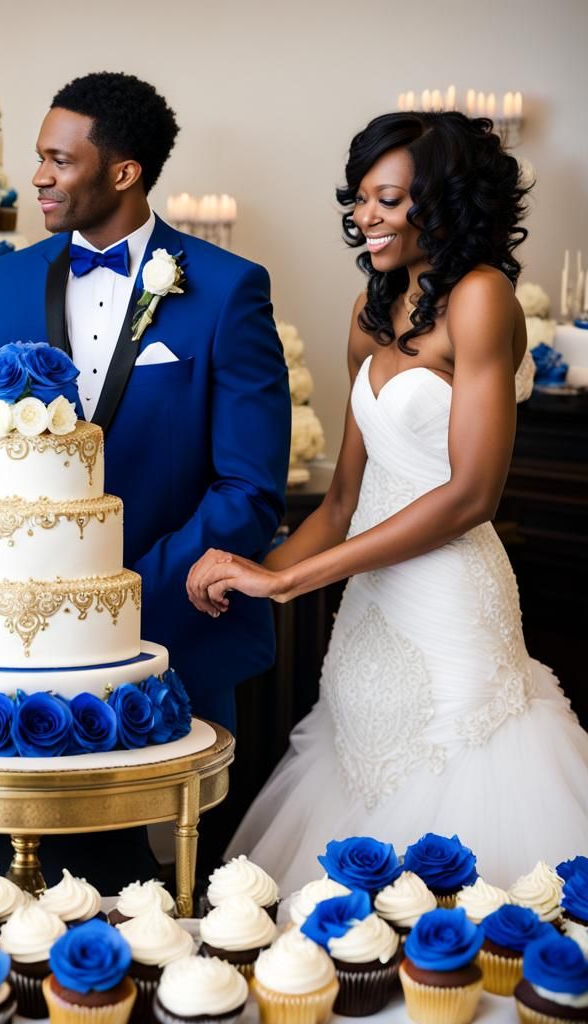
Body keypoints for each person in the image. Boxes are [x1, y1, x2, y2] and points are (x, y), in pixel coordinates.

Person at [188, 111, 588, 893]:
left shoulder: (481, 296)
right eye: (361, 198)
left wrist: (294, 583)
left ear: (442, 203)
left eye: (388, 199)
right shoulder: (371, 311)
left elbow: (472, 493)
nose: (363, 216)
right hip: (369, 614)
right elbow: (342, 501)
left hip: (452, 610)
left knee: (460, 819)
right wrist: (253, 571)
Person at [0, 71, 291, 892]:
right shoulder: (3, 283)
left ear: (123, 171)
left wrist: (120, 599)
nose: (39, 177)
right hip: (14, 661)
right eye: (38, 159)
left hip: (172, 641)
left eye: (58, 160)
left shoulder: (228, 288)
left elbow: (249, 489)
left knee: (163, 896)